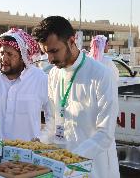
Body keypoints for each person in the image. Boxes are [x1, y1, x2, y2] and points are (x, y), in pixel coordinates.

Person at [32, 16, 119, 178]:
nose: (50, 59)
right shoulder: (53, 74)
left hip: (96, 168)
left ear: (72, 41)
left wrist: (72, 158)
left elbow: (105, 134)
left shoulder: (101, 74)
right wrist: (41, 143)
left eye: (54, 51)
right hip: (63, 168)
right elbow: (55, 121)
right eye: (46, 52)